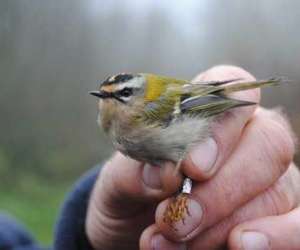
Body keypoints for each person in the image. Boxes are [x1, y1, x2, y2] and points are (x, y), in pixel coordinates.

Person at [1, 66, 299, 250]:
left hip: (193, 109)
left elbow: (190, 110)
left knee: (194, 165)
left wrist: (226, 102)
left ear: (137, 94)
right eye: (105, 95)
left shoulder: (144, 112)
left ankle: (183, 197)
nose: (111, 101)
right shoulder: (113, 121)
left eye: (123, 94)